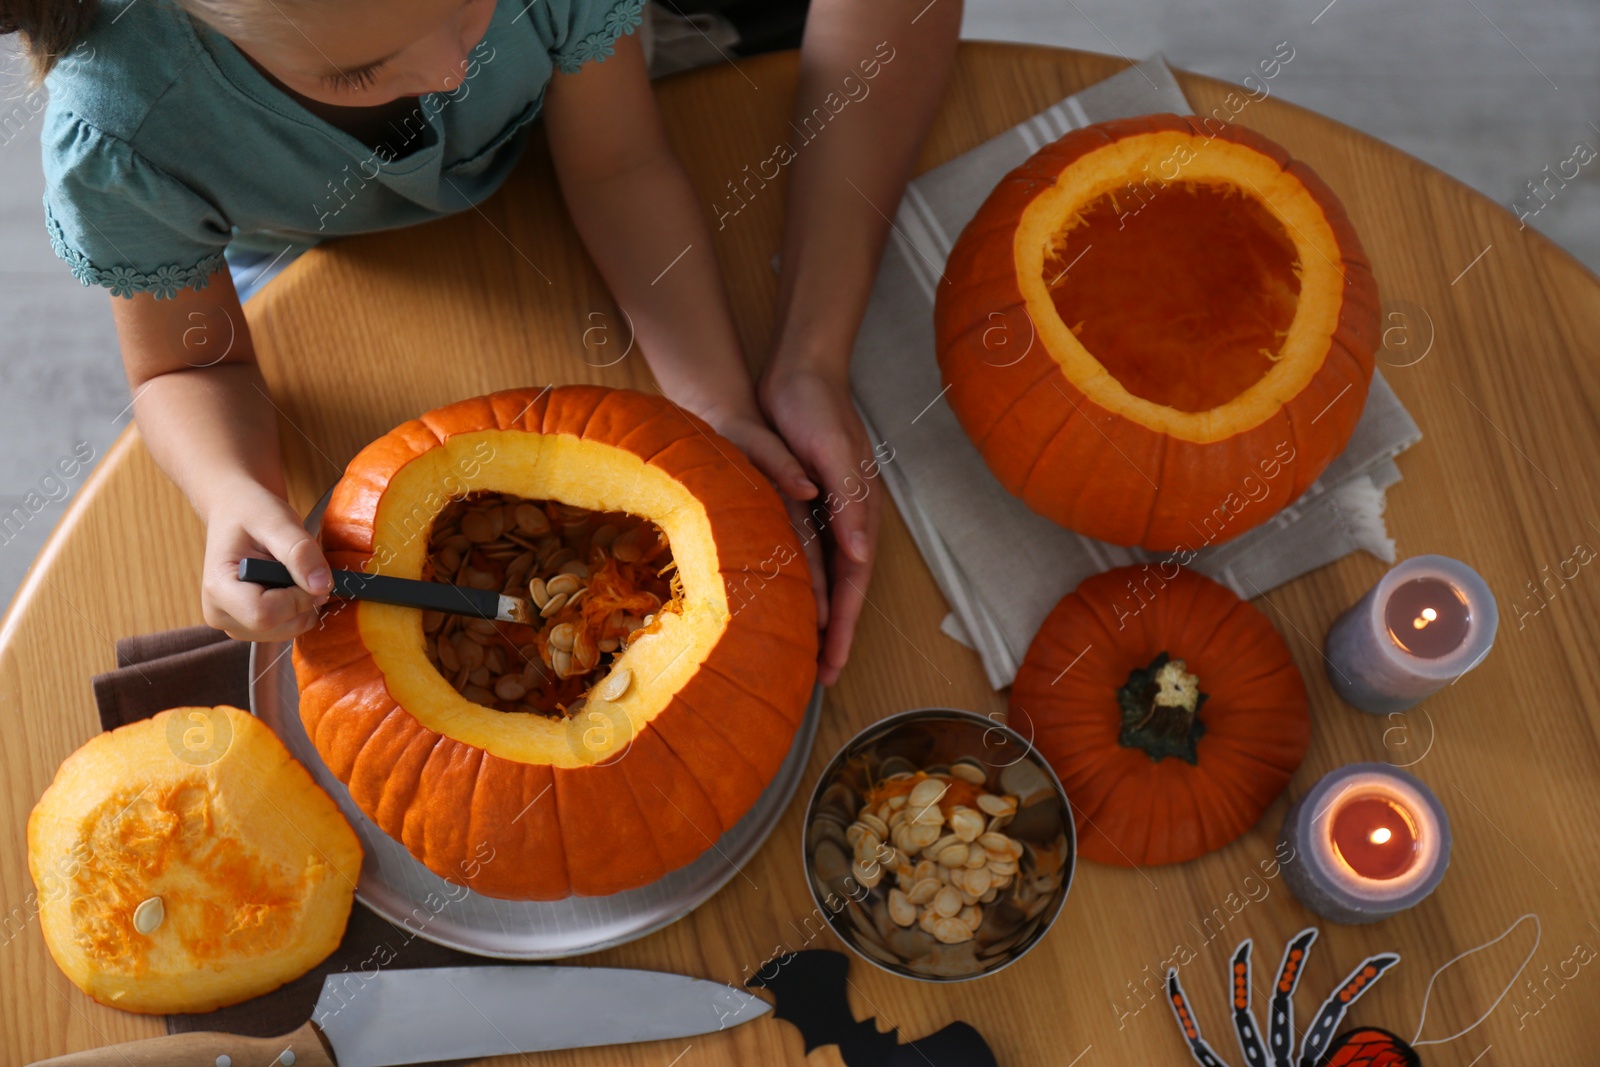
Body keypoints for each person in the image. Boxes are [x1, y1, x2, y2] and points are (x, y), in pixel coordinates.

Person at [3, 0, 957, 685]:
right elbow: (187, 363)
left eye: (469, 7)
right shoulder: (128, 130)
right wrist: (232, 492)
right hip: (309, 257)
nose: (453, 67)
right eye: (361, 71)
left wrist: (716, 408)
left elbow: (620, 165)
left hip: (547, 167)